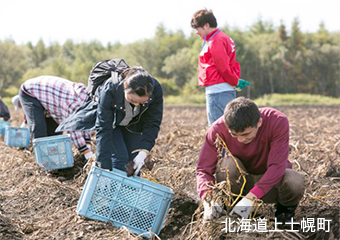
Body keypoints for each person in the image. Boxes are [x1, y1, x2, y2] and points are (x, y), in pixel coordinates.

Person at [197, 97, 305, 225]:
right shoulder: (218, 129)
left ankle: (283, 213)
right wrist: (208, 200)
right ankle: (233, 209)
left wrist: (250, 198)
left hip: (271, 184)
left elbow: (277, 166)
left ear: (259, 122)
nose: (240, 140)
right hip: (240, 183)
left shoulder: (277, 121)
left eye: (246, 134)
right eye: (234, 135)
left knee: (294, 180)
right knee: (226, 165)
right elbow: (203, 169)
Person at [57, 66, 163, 175]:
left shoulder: (156, 90)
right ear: (125, 86)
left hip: (131, 124)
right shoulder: (110, 89)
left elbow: (153, 122)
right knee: (119, 161)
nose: (136, 104)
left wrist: (144, 152)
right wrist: (103, 165)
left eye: (142, 103)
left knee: (132, 164)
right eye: (132, 100)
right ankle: (110, 189)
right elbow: (104, 128)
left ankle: (130, 190)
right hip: (112, 123)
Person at [15, 76, 94, 159]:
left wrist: (88, 144)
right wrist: (86, 152)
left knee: (55, 130)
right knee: (39, 128)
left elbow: (85, 121)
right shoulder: (72, 103)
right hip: (30, 92)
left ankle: (53, 157)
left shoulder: (87, 101)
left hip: (51, 97)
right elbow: (73, 128)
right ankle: (42, 160)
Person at [191, 9, 244, 127]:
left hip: (217, 92)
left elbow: (223, 68)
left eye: (197, 28)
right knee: (229, 128)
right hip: (224, 90)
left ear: (206, 25)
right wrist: (236, 82)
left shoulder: (215, 41)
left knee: (217, 131)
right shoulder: (223, 38)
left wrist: (235, 82)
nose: (196, 32)